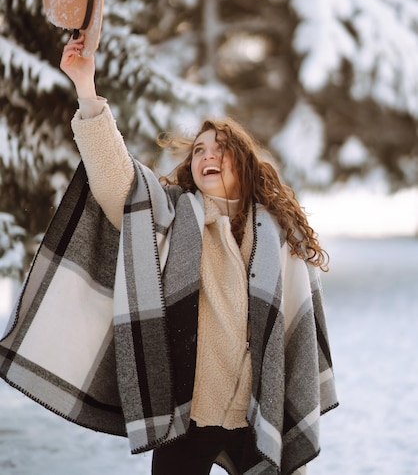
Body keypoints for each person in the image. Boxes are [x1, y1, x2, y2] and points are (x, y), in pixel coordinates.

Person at [54, 32, 338, 475]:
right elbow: (116, 181)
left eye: (221, 148)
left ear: (243, 162)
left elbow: (294, 322)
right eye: (200, 149)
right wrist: (86, 91)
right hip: (190, 412)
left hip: (256, 412)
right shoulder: (172, 215)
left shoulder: (276, 233)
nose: (208, 155)